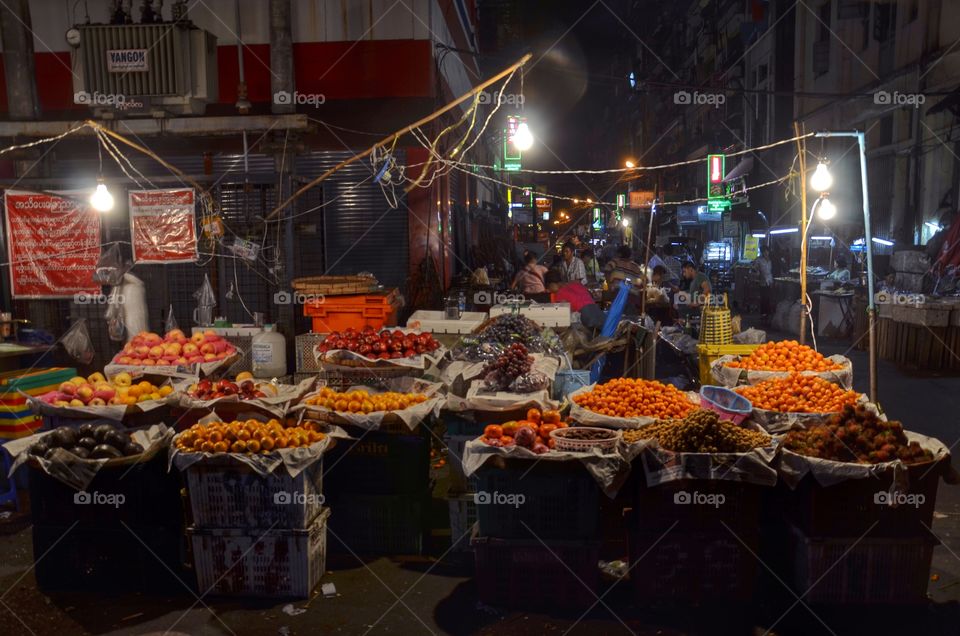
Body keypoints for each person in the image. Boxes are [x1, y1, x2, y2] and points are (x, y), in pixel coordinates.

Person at [753, 247, 773, 320]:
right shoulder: (759, 260)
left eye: (767, 251)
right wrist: (757, 272)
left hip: (770, 280)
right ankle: (763, 312)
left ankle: (768, 312)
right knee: (763, 297)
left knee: (769, 297)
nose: (766, 253)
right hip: (763, 281)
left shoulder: (771, 260)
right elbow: (754, 267)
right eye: (764, 252)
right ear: (762, 252)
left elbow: (772, 270)